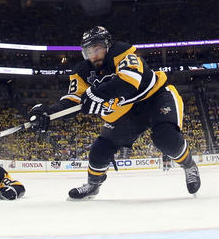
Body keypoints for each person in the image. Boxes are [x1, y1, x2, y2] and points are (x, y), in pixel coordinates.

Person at [28, 26, 201, 200]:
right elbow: (72, 102)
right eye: (89, 51)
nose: (93, 55)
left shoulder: (123, 52)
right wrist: (48, 113)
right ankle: (93, 186)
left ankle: (189, 166)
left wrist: (96, 94)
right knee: (100, 151)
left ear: (108, 45)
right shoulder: (81, 72)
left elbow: (129, 82)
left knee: (165, 138)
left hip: (155, 98)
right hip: (124, 112)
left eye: (97, 49)